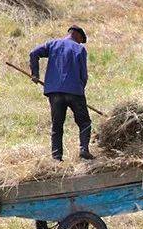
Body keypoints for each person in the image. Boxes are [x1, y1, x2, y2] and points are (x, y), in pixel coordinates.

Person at [29, 25, 94, 161]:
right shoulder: (80, 49)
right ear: (76, 34)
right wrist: (80, 89)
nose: (80, 42)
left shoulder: (53, 44)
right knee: (84, 122)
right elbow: (84, 75)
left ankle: (57, 157)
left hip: (54, 92)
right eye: (80, 39)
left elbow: (33, 53)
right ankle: (83, 150)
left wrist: (35, 73)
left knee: (57, 125)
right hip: (74, 91)